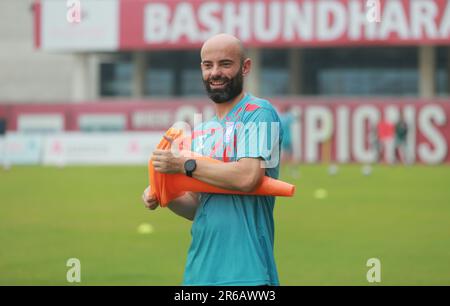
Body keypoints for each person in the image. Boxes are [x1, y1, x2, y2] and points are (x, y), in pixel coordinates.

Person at [142, 33, 283, 286]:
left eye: (225, 64)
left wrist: (184, 165)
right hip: (199, 272)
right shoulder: (204, 131)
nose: (215, 72)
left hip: (246, 273)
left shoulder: (258, 113)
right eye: (208, 65)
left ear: (245, 67)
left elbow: (247, 178)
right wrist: (165, 193)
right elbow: (197, 207)